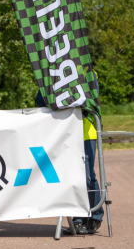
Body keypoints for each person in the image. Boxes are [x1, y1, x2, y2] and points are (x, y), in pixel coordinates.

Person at [36, 92, 104, 235]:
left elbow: (89, 100)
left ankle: (92, 217)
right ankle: (79, 219)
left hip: (85, 132)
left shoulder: (89, 73)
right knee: (71, 175)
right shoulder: (52, 75)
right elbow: (40, 100)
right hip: (64, 132)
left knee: (86, 175)